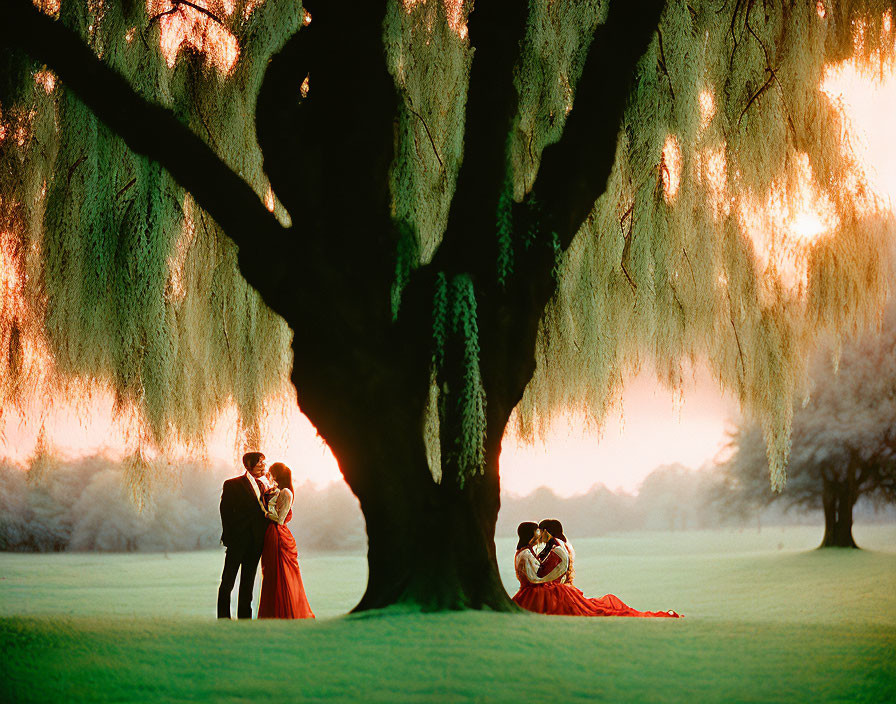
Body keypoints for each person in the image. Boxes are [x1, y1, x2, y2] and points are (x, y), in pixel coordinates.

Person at [515, 518, 681, 618]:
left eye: (541, 532)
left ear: (547, 532)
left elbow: (545, 574)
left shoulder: (556, 549)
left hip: (555, 589)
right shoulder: (555, 548)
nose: (540, 537)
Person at [217, 451, 272, 619]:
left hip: (255, 544)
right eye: (260, 462)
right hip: (237, 542)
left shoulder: (263, 487)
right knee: (227, 582)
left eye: (264, 462)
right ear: (249, 464)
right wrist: (229, 538)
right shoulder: (232, 484)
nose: (263, 465)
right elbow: (225, 512)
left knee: (248, 584)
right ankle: (224, 617)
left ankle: (245, 618)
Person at [258, 462, 315, 619]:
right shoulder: (276, 491)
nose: (268, 475)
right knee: (270, 573)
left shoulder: (286, 492)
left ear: (276, 475)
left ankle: (284, 611)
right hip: (271, 534)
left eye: (271, 472)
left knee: (280, 572)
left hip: (277, 533)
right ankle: (273, 612)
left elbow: (280, 519)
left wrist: (263, 512)